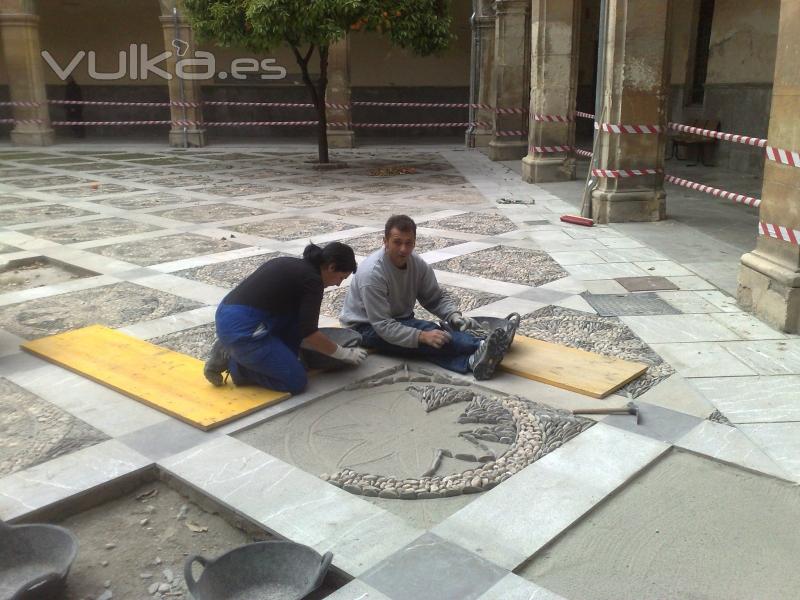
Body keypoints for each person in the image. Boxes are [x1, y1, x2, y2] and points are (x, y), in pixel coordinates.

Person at [340, 214, 509, 380]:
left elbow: (434, 297)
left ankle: (474, 358)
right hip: (365, 327)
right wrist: (421, 336)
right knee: (427, 337)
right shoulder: (372, 274)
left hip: (399, 319)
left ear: (414, 242)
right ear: (385, 241)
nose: (403, 249)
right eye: (397, 242)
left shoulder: (417, 264)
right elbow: (383, 325)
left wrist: (453, 315)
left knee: (431, 335)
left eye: (409, 243)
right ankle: (478, 348)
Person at [204, 242, 367, 393]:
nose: (338, 284)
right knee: (296, 381)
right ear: (331, 267)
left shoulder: (295, 266)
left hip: (229, 314)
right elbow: (310, 333)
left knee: (295, 325)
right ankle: (235, 364)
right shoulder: (312, 282)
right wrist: (343, 354)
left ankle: (243, 351)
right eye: (341, 278)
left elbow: (300, 323)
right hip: (243, 329)